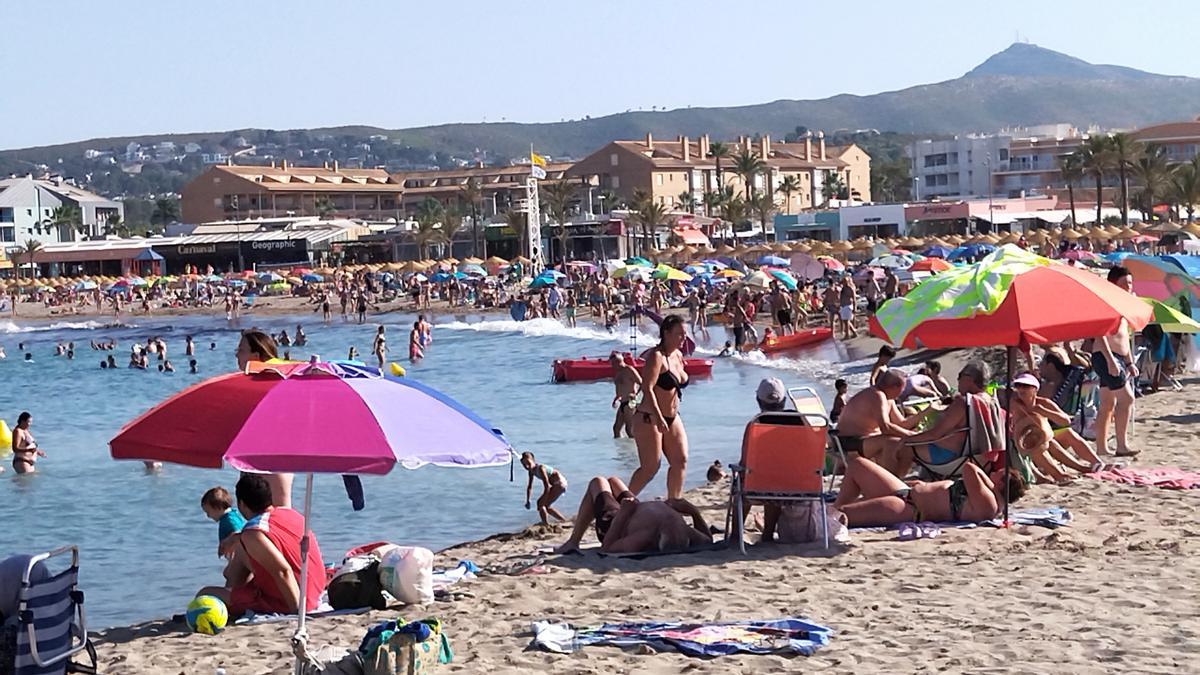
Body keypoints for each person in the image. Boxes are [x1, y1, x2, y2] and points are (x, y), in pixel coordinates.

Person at [196, 473, 324, 619]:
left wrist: (296, 612)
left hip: (294, 599)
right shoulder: (290, 514)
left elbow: (283, 571)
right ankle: (234, 594)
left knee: (206, 594)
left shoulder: (253, 534)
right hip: (314, 591)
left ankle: (233, 600)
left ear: (242, 504)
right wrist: (236, 538)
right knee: (242, 549)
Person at [833, 456, 1025, 527]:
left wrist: (987, 482)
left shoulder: (989, 503)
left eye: (997, 474)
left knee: (843, 516)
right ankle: (835, 505)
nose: (991, 474)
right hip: (907, 492)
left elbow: (969, 468)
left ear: (999, 484)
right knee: (858, 465)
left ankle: (828, 516)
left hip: (910, 508)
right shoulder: (985, 494)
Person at [552, 476, 712, 555]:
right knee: (614, 480)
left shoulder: (643, 537)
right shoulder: (681, 530)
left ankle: (573, 542)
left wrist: (624, 513)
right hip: (635, 507)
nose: (674, 521)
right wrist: (693, 511)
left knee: (598, 482)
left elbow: (607, 548)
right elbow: (708, 540)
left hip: (616, 520)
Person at [629, 315, 690, 499]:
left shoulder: (678, 356)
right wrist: (659, 417)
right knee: (650, 468)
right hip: (650, 417)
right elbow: (647, 388)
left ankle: (674, 502)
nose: (683, 338)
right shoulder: (656, 357)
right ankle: (622, 503)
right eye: (679, 334)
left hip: (672, 416)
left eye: (684, 334)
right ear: (666, 333)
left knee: (680, 460)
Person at [897, 362, 993, 478]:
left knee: (906, 446)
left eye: (960, 376)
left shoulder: (963, 403)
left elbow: (934, 434)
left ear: (969, 379)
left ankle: (897, 484)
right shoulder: (989, 400)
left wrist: (906, 439)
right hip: (978, 456)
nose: (958, 380)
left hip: (950, 458)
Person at [235, 330, 293, 508]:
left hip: (272, 456)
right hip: (253, 457)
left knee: (279, 515)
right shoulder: (247, 387)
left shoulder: (275, 386)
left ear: (256, 355)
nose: (237, 354)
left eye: (241, 350)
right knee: (254, 516)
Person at [835, 370, 930, 476]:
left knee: (906, 446)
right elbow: (886, 428)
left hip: (868, 439)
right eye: (903, 388)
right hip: (847, 441)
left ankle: (898, 480)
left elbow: (901, 423)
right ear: (895, 387)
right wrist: (915, 436)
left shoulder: (889, 399)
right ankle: (890, 482)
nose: (903, 391)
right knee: (891, 442)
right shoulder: (876, 395)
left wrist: (926, 411)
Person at [1091, 266, 1139, 457]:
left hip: (1116, 356)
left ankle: (1101, 448)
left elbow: (1123, 338)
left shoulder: (1123, 306)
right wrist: (1111, 361)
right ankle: (1121, 445)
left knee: (1107, 404)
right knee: (1127, 399)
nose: (1128, 287)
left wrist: (1129, 362)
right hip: (1106, 355)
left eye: (1130, 283)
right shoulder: (1108, 304)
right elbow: (1099, 332)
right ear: (1113, 284)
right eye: (1124, 284)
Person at [520, 451, 569, 526]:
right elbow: (529, 487)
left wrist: (543, 498)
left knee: (541, 503)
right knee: (546, 505)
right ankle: (563, 521)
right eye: (524, 465)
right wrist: (528, 500)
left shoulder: (541, 468)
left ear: (533, 461)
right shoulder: (531, 472)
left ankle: (545, 524)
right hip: (555, 485)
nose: (527, 466)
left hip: (560, 483)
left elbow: (547, 486)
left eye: (528, 463)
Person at [201, 486, 246, 558]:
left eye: (208, 512)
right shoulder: (231, 515)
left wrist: (226, 543)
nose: (208, 516)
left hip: (238, 555)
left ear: (217, 508)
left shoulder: (229, 519)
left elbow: (239, 533)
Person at [610, 352, 642, 439]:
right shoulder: (618, 373)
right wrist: (616, 398)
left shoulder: (629, 370)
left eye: (613, 363)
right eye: (611, 363)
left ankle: (635, 450)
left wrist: (635, 394)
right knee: (616, 429)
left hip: (631, 401)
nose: (612, 365)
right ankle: (621, 451)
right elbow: (620, 388)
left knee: (629, 429)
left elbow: (642, 383)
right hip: (622, 401)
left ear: (619, 361)